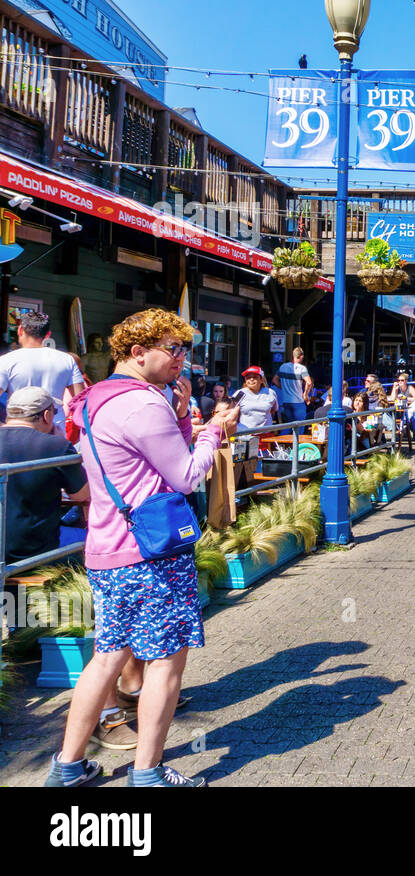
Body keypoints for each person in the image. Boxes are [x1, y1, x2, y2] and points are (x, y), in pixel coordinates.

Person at [47, 309, 240, 787]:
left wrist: (179, 418)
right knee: (166, 662)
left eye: (184, 349)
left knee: (108, 655)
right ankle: (148, 772)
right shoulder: (142, 404)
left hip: (107, 547)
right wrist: (214, 428)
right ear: (137, 353)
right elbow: (187, 474)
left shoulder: (93, 399)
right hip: (151, 555)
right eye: (173, 349)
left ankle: (67, 767)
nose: (182, 359)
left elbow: (147, 463)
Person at [0, 387, 89, 559]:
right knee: (87, 543)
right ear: (47, 415)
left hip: (8, 553)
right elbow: (82, 495)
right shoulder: (55, 446)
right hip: (33, 553)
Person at [0, 311, 86, 431]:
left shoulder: (6, 361)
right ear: (47, 335)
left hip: (18, 430)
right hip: (54, 429)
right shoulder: (66, 360)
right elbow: (81, 400)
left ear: (20, 330)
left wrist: (3, 427)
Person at [272, 347, 313, 425]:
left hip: (286, 401)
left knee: (289, 426)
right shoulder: (302, 368)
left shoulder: (283, 366)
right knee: (300, 427)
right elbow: (309, 382)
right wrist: (305, 394)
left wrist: (283, 388)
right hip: (298, 401)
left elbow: (274, 380)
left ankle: (282, 437)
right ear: (301, 356)